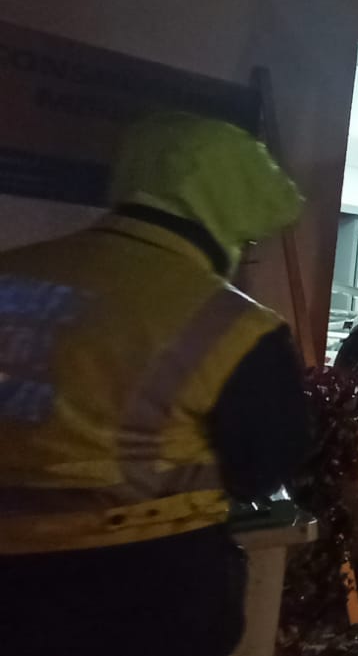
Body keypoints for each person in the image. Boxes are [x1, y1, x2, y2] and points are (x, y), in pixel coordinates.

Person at [0, 112, 312, 656]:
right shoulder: (234, 325)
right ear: (227, 218)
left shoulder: (13, 271)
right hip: (145, 592)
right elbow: (265, 468)